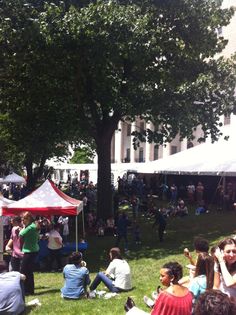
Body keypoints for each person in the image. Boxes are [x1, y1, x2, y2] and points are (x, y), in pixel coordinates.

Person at [125, 261, 192, 315]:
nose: (160, 278)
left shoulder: (165, 295)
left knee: (133, 312)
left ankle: (131, 309)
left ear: (172, 278)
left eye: (162, 276)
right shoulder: (188, 293)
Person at [19, 211, 39, 295]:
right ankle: (29, 290)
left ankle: (27, 290)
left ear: (29, 219)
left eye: (25, 218)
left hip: (30, 252)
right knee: (28, 271)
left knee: (24, 271)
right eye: (22, 219)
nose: (23, 220)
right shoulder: (32, 225)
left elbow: (20, 234)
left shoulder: (30, 227)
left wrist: (23, 227)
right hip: (32, 251)